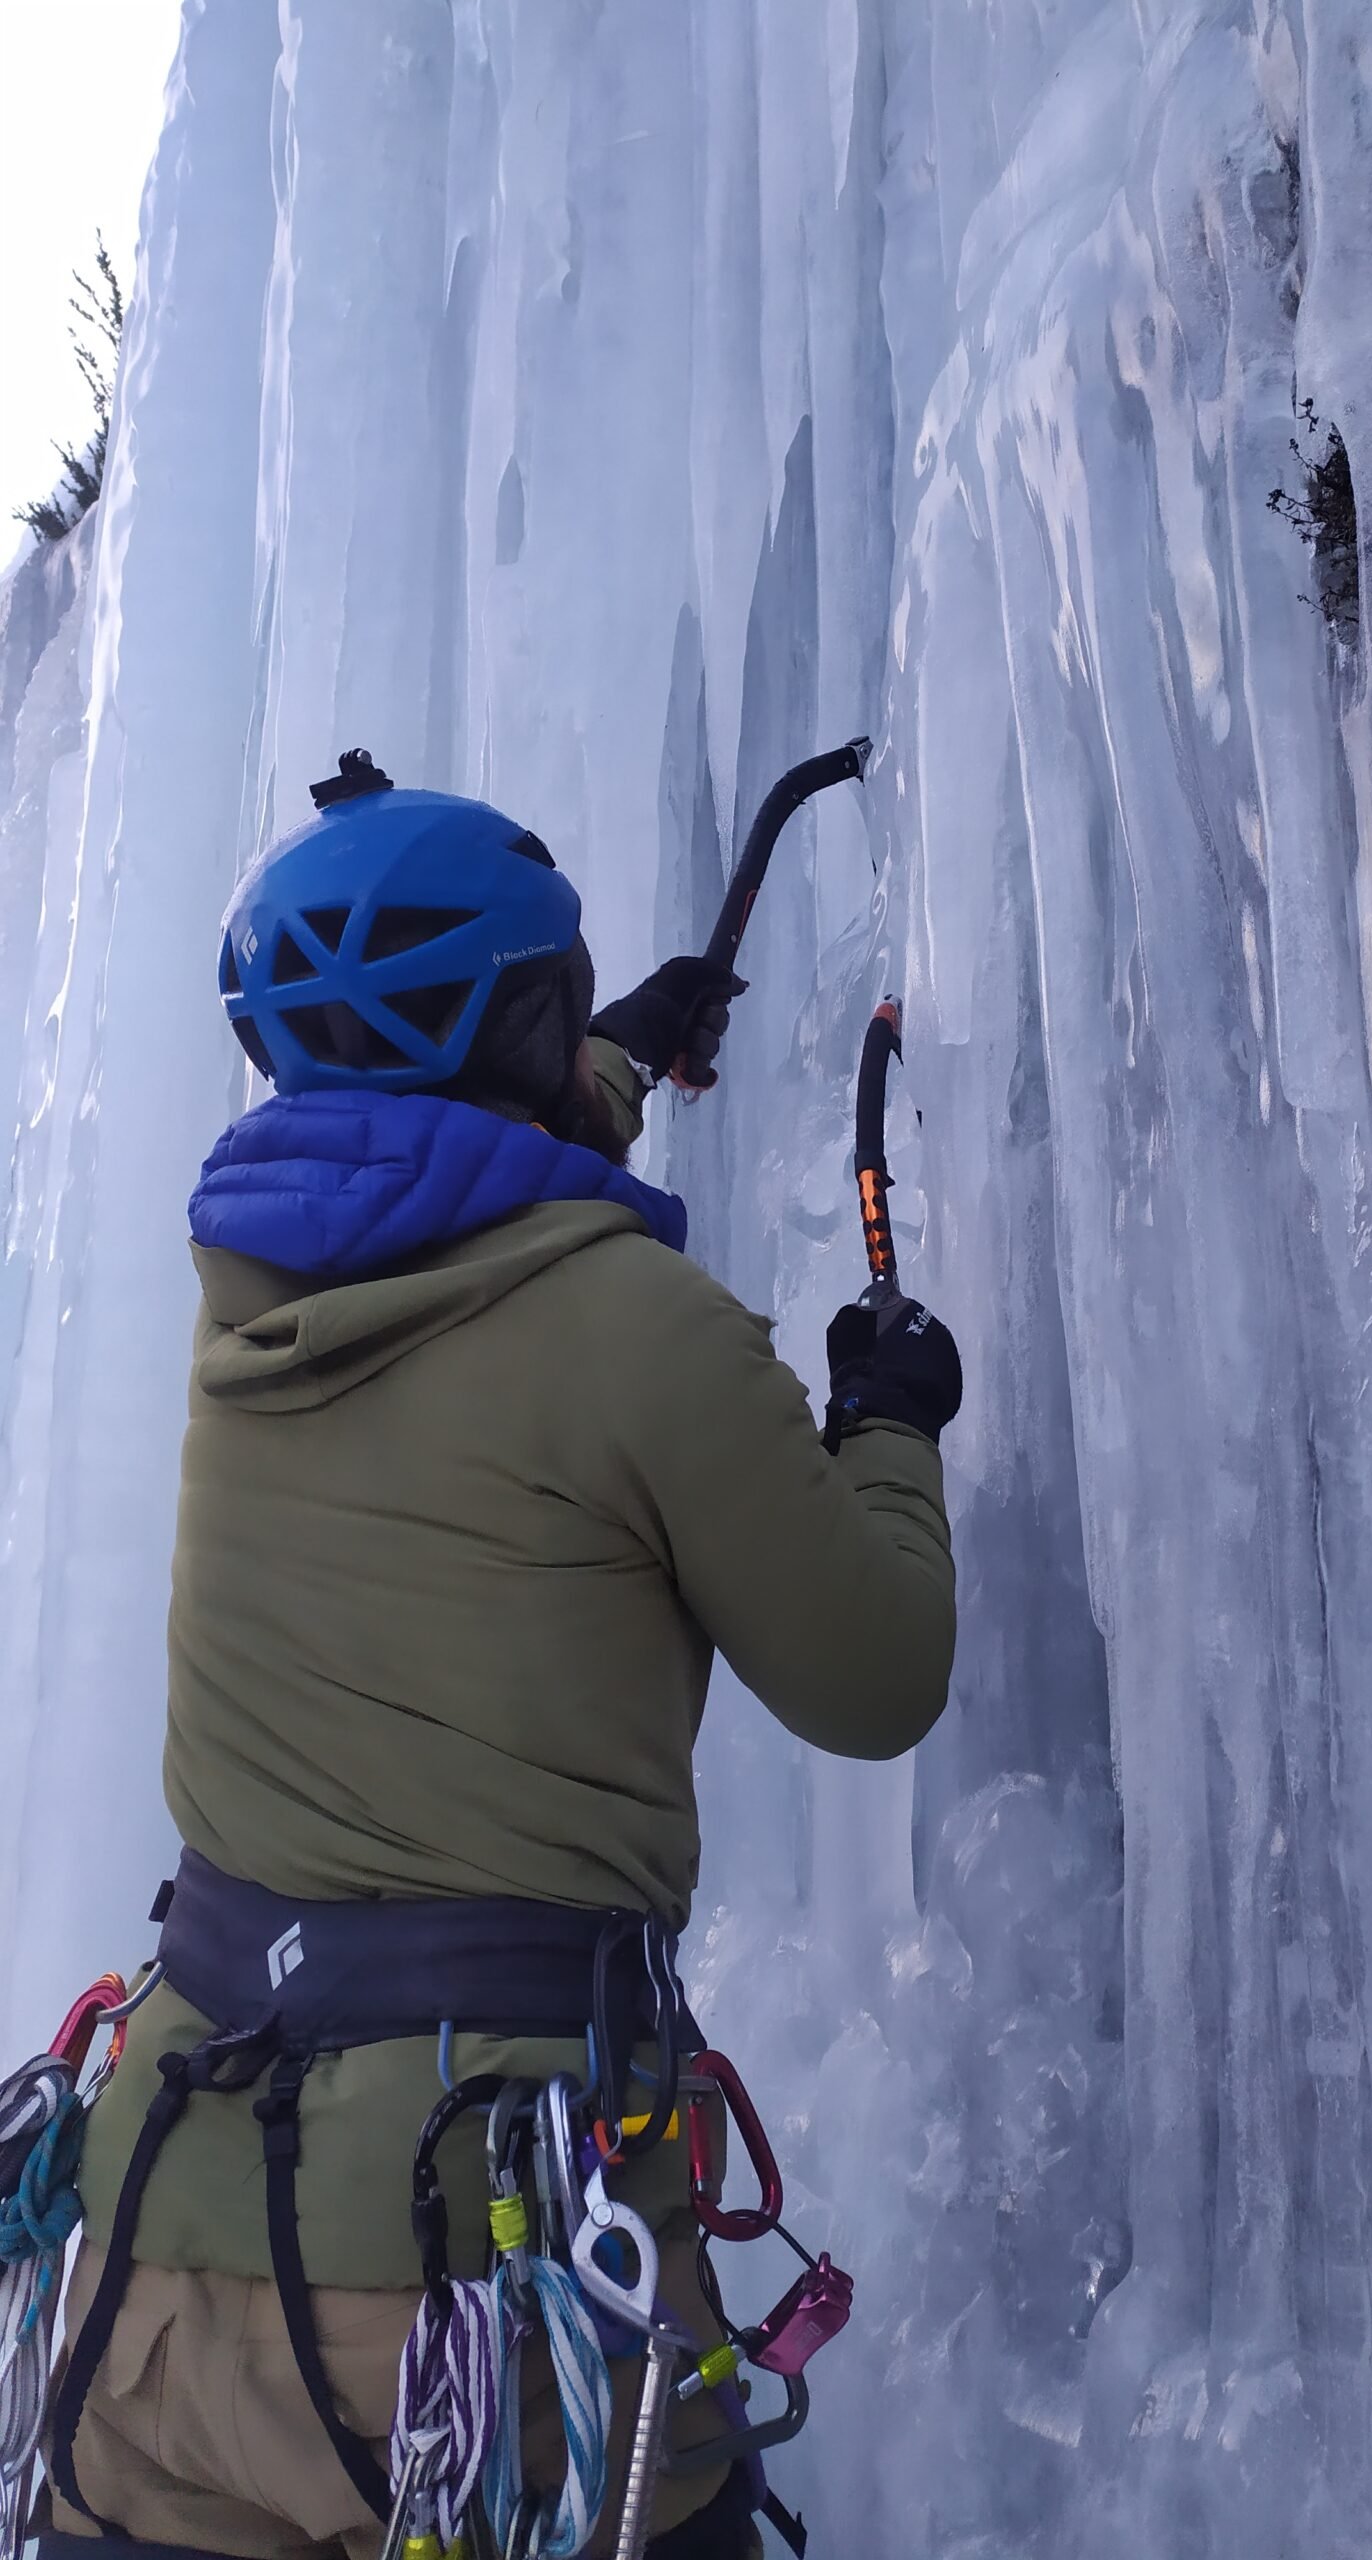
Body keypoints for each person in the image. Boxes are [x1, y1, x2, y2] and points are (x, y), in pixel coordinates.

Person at [38, 751, 960, 2560]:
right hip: (471, 2293)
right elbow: (877, 1674)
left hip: (152, 2261)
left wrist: (605, 1055)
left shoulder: (247, 1303)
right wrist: (890, 1424)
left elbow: (429, 1165)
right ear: (519, 1016)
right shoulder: (646, 1331)